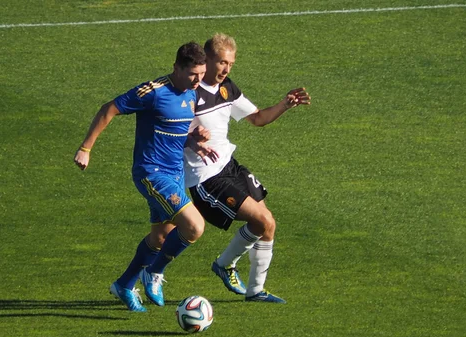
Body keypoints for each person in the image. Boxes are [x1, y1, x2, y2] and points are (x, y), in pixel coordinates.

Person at [74, 42, 218, 312]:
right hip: (152, 173)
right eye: (193, 74)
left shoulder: (191, 94)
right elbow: (109, 109)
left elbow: (170, 132)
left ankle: (124, 285)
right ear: (176, 68)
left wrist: (195, 142)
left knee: (161, 238)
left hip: (175, 174)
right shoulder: (152, 92)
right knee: (195, 227)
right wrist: (86, 148)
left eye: (202, 73)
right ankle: (153, 272)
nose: (199, 80)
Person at [184, 33, 310, 303]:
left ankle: (253, 290)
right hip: (206, 177)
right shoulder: (188, 94)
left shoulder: (227, 88)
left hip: (229, 166)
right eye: (221, 63)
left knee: (268, 223)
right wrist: (193, 138)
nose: (226, 69)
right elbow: (168, 129)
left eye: (230, 63)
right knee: (262, 220)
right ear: (206, 61)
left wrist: (285, 105)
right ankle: (225, 265)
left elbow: (258, 118)